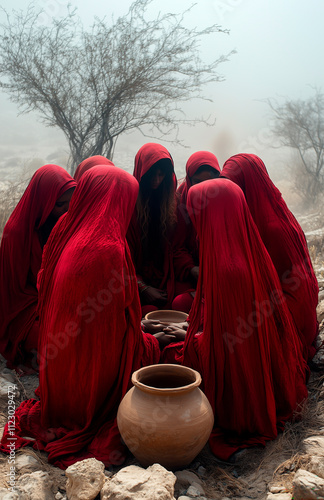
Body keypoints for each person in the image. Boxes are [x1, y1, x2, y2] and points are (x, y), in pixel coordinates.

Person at [0, 164, 160, 469]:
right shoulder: (111, 246)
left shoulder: (64, 229)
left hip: (56, 367)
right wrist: (146, 338)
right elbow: (117, 323)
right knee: (155, 350)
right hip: (85, 377)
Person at [163, 179, 308, 461]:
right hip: (254, 354)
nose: (194, 218)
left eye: (197, 212)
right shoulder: (249, 250)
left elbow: (226, 345)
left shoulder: (226, 268)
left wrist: (187, 338)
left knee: (166, 355)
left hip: (239, 374)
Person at [222, 153, 319, 362]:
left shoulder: (272, 227)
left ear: (248, 185)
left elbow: (294, 289)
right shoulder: (261, 214)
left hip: (290, 315)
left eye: (234, 186)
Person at [0, 165, 76, 371]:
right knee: (52, 341)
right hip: (27, 310)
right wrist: (50, 305)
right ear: (43, 200)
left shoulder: (62, 223)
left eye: (71, 204)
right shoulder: (16, 233)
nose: (66, 211)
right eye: (60, 204)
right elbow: (15, 294)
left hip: (56, 301)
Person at [127, 143, 177, 315]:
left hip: (165, 277)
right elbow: (122, 259)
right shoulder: (129, 205)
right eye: (151, 175)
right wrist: (142, 288)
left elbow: (176, 249)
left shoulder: (173, 202)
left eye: (161, 174)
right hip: (133, 280)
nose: (156, 180)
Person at [172, 151, 221, 313]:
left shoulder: (225, 199)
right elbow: (176, 246)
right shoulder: (181, 202)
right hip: (190, 273)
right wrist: (192, 269)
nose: (202, 188)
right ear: (189, 180)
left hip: (219, 272)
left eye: (209, 183)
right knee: (179, 302)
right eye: (197, 182)